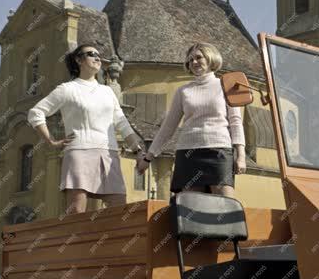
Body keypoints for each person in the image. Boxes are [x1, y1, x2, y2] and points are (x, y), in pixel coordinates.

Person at [27, 43, 144, 215]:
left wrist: (138, 150)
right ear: (78, 60)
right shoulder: (67, 89)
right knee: (76, 212)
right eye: (91, 54)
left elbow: (122, 123)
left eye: (98, 55)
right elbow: (35, 113)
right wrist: (51, 141)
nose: (97, 58)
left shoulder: (107, 91)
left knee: (119, 211)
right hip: (79, 152)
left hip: (109, 154)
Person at [136, 42, 246, 198]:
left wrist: (240, 156)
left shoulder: (226, 86)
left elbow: (236, 122)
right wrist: (148, 158)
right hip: (188, 153)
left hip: (219, 151)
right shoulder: (183, 91)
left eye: (198, 57)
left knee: (226, 204)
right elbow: (168, 128)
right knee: (190, 210)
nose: (194, 62)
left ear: (210, 58)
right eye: (190, 60)